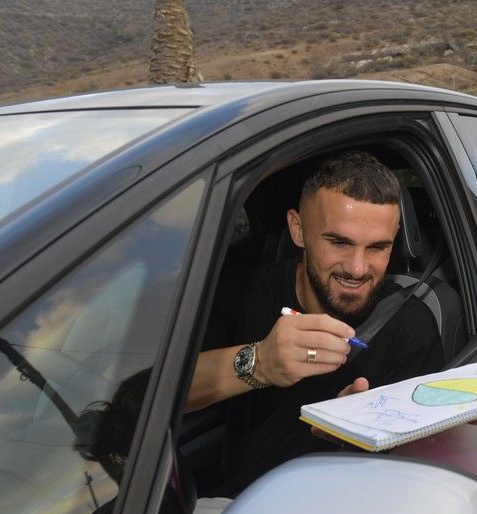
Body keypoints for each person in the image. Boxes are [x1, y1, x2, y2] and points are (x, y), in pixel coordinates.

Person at [188, 151, 444, 491]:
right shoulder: (245, 291)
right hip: (239, 502)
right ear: (298, 230)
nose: (357, 268)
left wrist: (363, 434)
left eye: (377, 247)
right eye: (338, 242)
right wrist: (260, 363)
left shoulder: (411, 326)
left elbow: (423, 467)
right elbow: (159, 397)